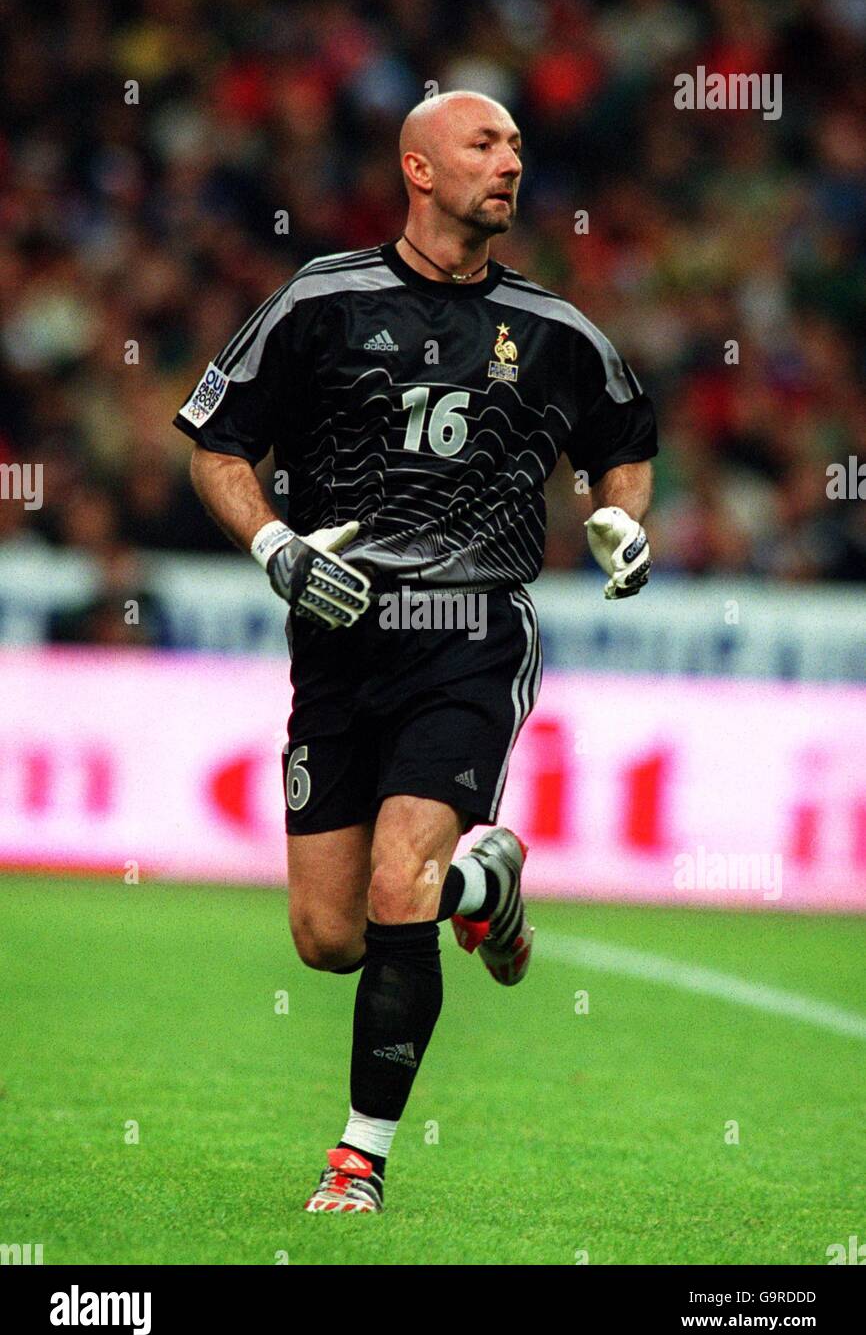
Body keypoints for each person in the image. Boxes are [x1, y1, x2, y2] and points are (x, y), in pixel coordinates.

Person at [175, 91, 657, 1213]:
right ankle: (483, 879)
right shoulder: (321, 301)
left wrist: (624, 522)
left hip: (470, 633)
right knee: (327, 935)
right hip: (337, 640)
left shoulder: (555, 331)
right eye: (485, 144)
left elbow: (624, 447)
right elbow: (213, 443)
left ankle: (358, 1161)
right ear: (419, 168)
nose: (510, 163)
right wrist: (276, 548)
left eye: (518, 149)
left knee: (399, 882)